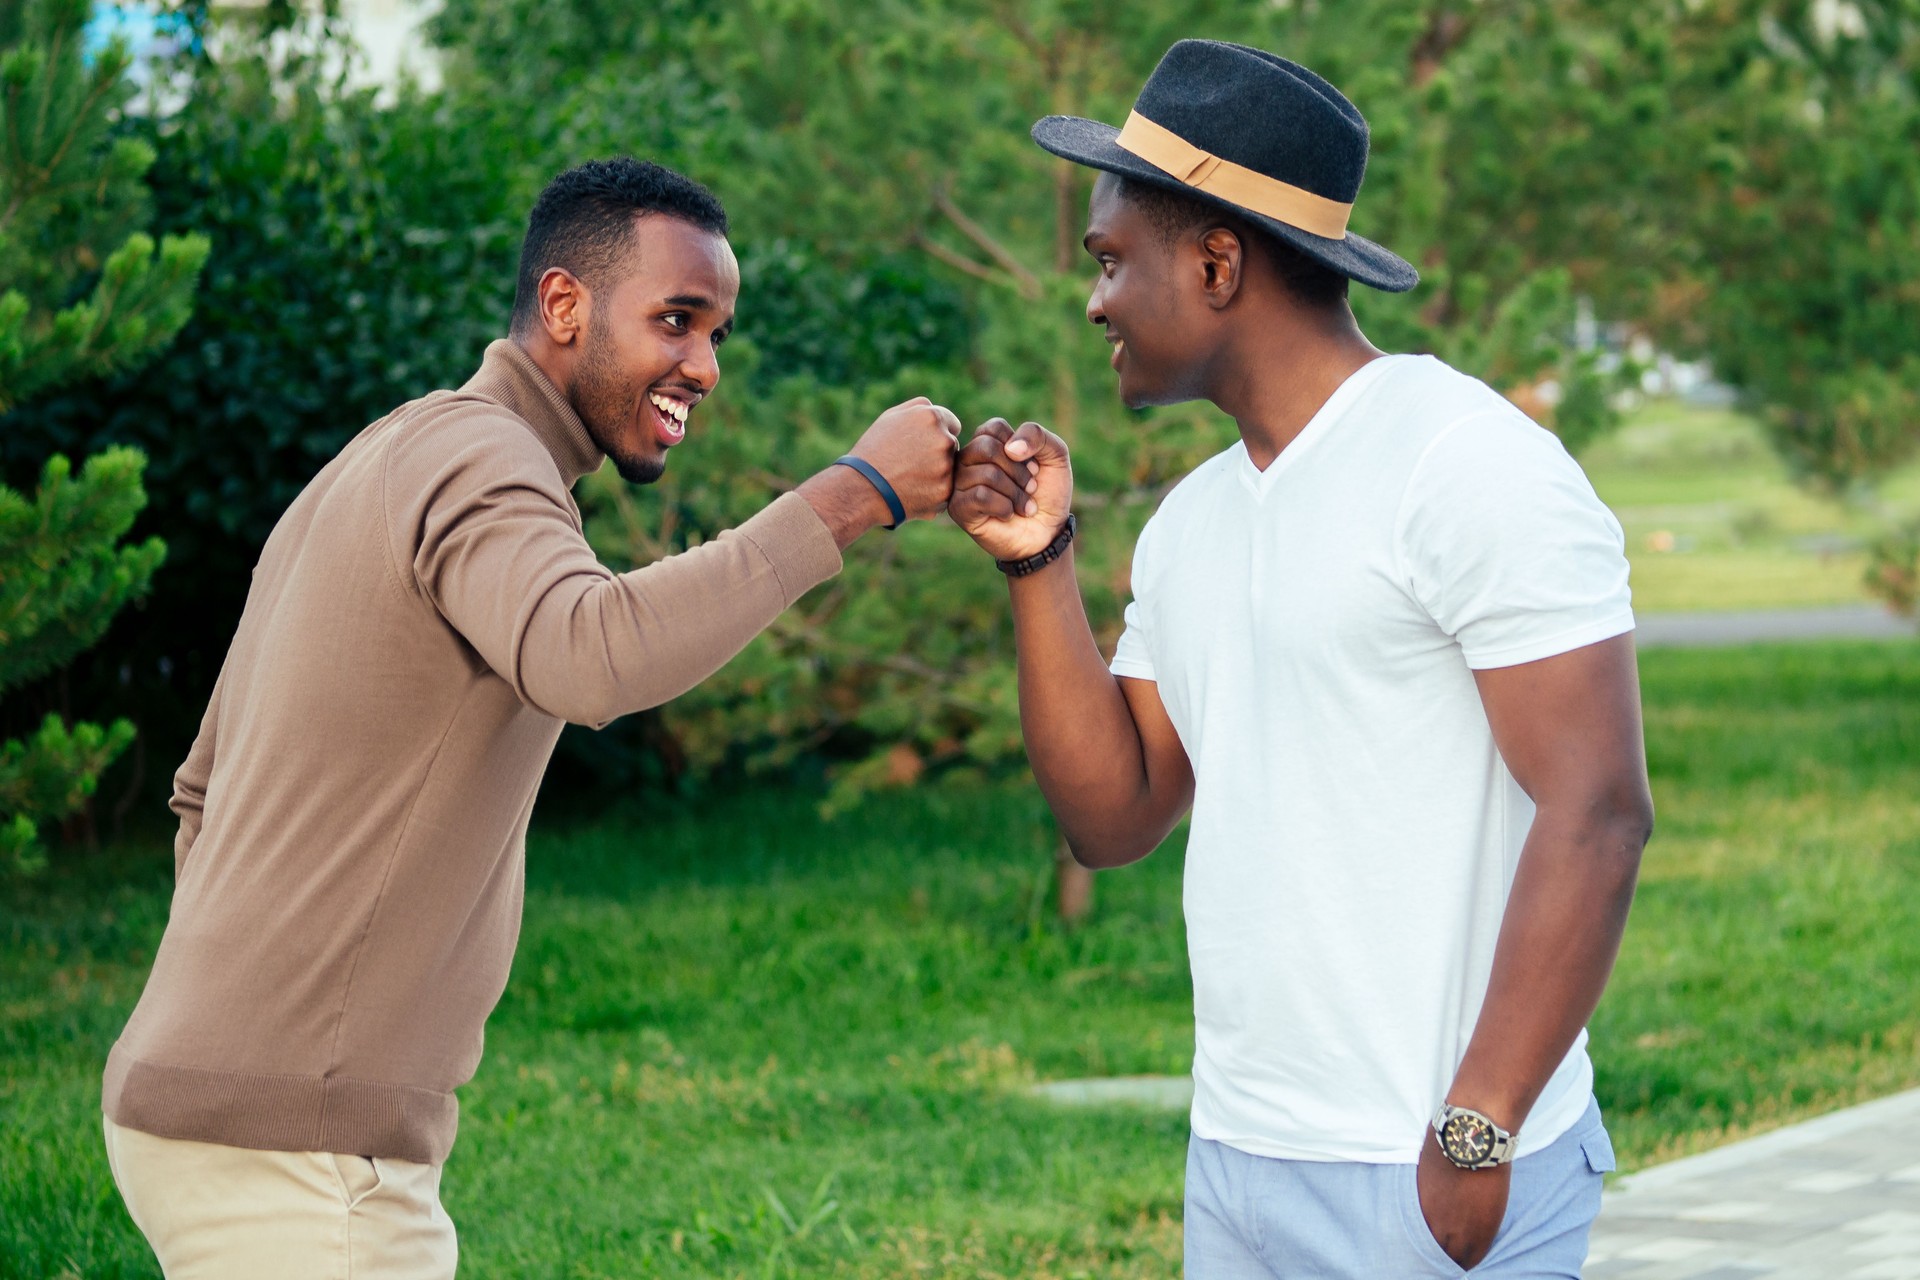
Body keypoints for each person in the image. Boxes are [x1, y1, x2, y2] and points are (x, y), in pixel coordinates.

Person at [100, 157, 960, 1278]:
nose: (703, 366)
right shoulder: (481, 459)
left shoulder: (385, 455)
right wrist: (856, 494)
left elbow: (198, 790)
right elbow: (589, 653)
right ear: (565, 306)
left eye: (719, 334)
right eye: (677, 321)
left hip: (216, 1111)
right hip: (301, 1154)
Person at [949, 40, 1653, 1279]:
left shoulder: (1465, 464)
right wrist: (1038, 563)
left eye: (1113, 261)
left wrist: (1476, 1131)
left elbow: (1597, 807)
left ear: (1218, 263)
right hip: (1239, 1162)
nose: (1096, 298)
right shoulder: (1194, 523)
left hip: (1437, 1168)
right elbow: (1111, 818)